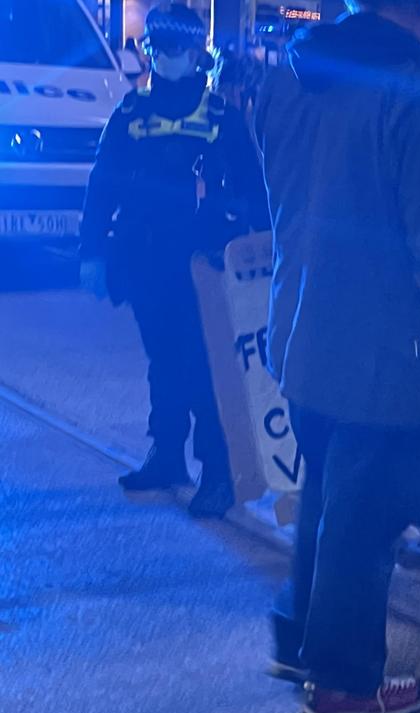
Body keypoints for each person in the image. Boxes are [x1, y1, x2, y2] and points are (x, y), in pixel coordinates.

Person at [254, 0, 420, 713]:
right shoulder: (418, 103)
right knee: (364, 537)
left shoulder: (294, 81)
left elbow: (284, 207)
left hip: (306, 341)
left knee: (330, 504)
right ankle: (344, 685)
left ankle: (299, 641)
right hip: (389, 364)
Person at [79, 5, 268, 519]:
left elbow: (255, 191)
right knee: (164, 361)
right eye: (156, 48)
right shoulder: (129, 114)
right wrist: (91, 252)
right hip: (147, 262)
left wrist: (254, 250)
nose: (163, 58)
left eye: (173, 49)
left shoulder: (223, 120)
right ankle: (166, 455)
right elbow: (102, 185)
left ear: (195, 55)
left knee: (208, 369)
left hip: (206, 266)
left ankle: (218, 471)